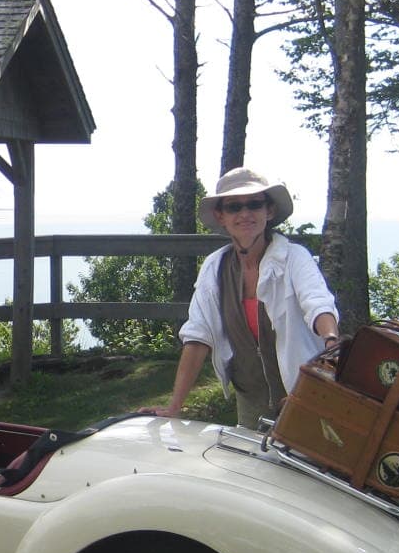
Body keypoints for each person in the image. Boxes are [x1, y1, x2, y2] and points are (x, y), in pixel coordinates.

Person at [145, 167, 340, 428]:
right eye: (234, 207)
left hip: (305, 396)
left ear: (268, 211)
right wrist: (174, 407)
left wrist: (331, 342)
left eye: (254, 204)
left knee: (308, 466)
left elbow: (317, 303)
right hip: (250, 401)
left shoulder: (294, 258)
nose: (245, 213)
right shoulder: (214, 268)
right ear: (221, 216)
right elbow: (197, 335)